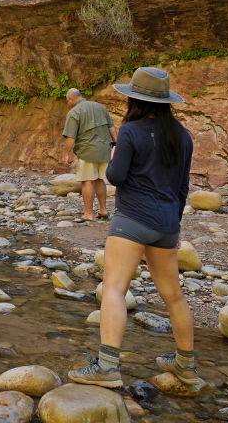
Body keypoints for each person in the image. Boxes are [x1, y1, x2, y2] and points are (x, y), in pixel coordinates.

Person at [68, 67, 202, 390]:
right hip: (167, 224)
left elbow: (115, 176)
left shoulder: (130, 131)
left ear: (135, 99)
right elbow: (182, 187)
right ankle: (185, 365)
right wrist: (176, 224)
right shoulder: (183, 137)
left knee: (114, 289)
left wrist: (114, 154)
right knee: (174, 296)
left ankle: (108, 366)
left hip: (132, 220)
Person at [61, 88, 117, 222]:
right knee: (99, 180)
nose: (68, 104)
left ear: (71, 99)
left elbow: (70, 137)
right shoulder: (100, 107)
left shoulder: (74, 112)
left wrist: (65, 154)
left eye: (67, 101)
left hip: (87, 151)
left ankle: (88, 213)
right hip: (104, 150)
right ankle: (103, 211)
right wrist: (116, 144)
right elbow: (112, 128)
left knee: (87, 181)